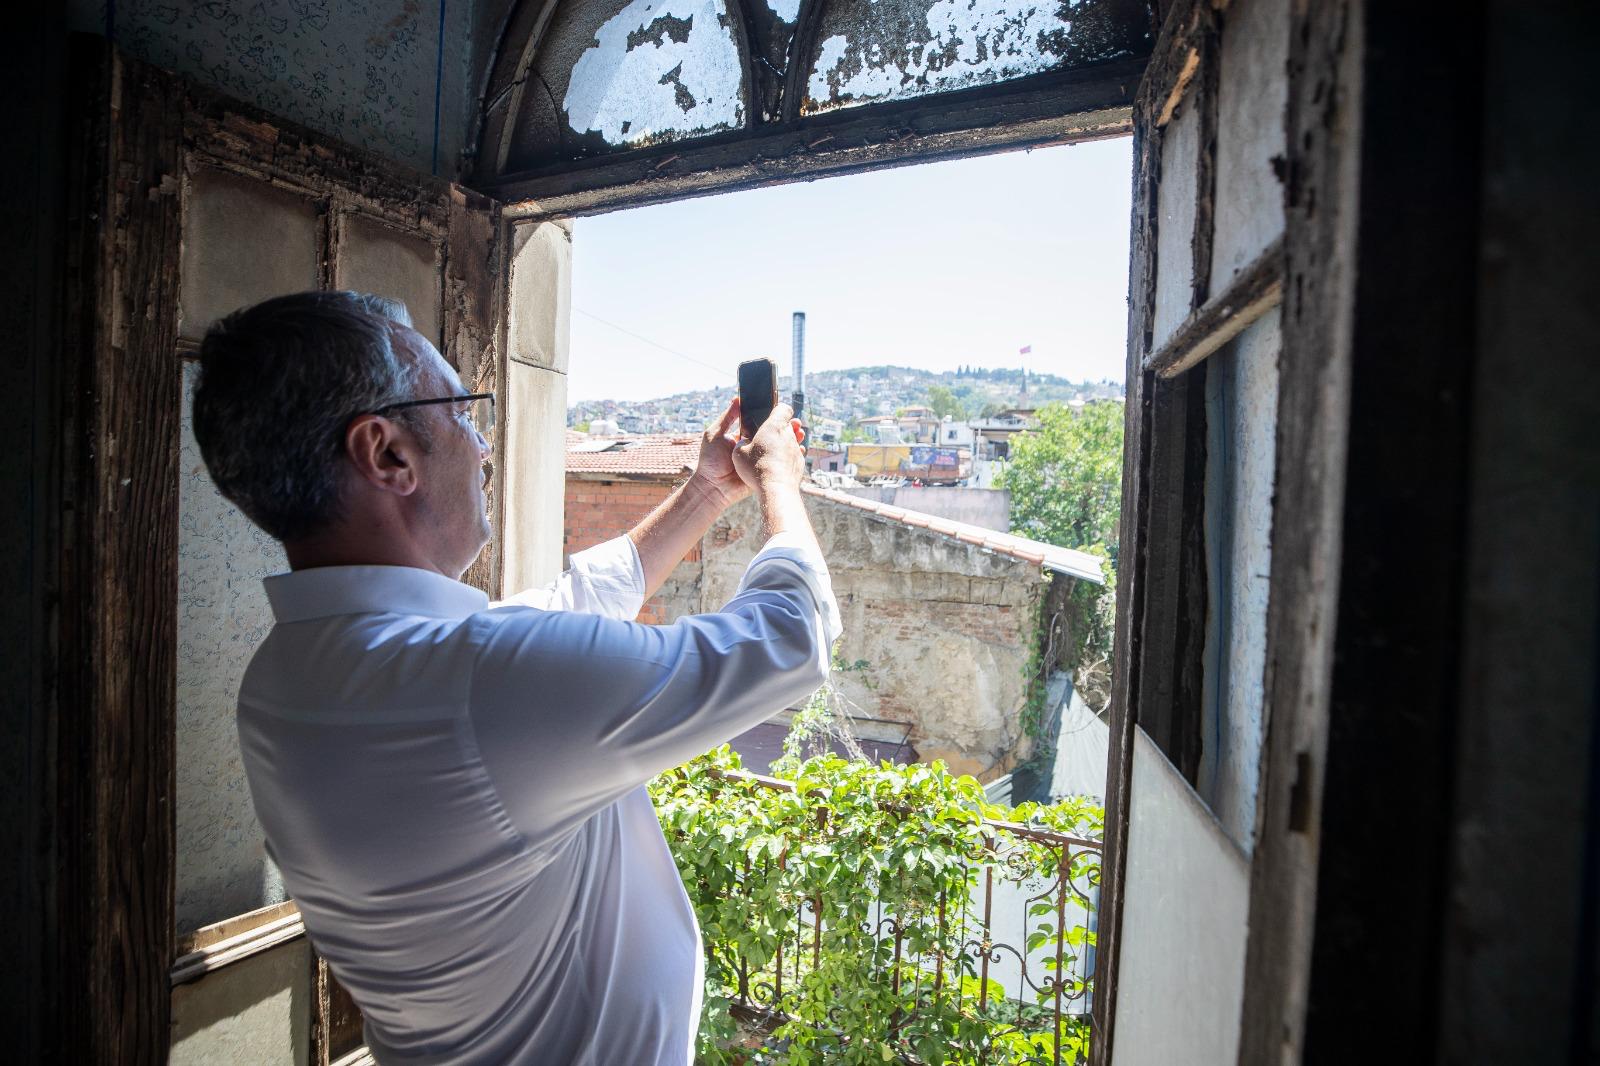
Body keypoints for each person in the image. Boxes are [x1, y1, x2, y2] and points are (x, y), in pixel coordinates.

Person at [192, 290, 840, 1065]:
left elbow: (562, 617)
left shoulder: (290, 681)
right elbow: (789, 639)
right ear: (387, 453)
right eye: (462, 411)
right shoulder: (472, 687)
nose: (483, 443)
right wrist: (780, 481)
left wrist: (704, 491)